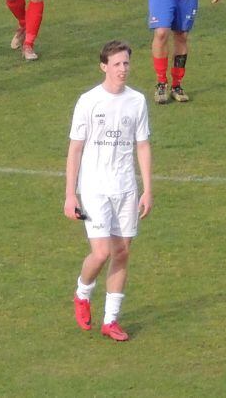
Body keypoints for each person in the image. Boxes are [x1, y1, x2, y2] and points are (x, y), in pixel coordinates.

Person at [64, 40, 152, 342]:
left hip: (126, 187)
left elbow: (142, 145)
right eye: (116, 64)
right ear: (104, 66)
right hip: (94, 187)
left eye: (126, 63)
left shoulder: (137, 101)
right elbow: (75, 149)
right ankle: (82, 292)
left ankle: (110, 320)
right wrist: (70, 194)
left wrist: (147, 189)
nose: (123, 69)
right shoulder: (89, 101)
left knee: (122, 253)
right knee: (101, 253)